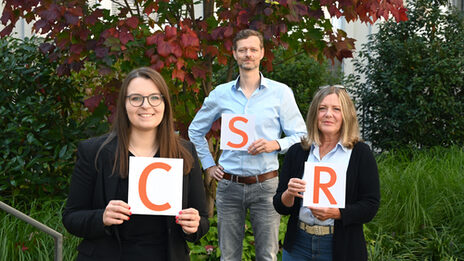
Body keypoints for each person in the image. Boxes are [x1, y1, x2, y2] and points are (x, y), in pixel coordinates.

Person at [62, 67, 209, 261]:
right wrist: (101, 218)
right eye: (136, 98)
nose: (146, 105)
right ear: (124, 104)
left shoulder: (184, 153)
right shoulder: (94, 152)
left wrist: (194, 225)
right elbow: (71, 217)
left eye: (155, 98)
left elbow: (203, 219)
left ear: (165, 103)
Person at [188, 29, 307, 261]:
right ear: (234, 54)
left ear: (262, 53)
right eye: (242, 50)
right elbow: (195, 130)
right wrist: (208, 165)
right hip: (229, 184)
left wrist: (275, 144)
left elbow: (302, 136)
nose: (248, 55)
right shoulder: (221, 94)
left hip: (266, 184)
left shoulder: (281, 93)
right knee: (229, 256)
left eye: (253, 49)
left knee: (267, 255)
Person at [273, 85, 380, 261]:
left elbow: (370, 206)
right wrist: (288, 194)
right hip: (298, 245)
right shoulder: (297, 151)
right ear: (315, 114)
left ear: (346, 115)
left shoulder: (360, 153)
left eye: (336, 109)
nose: (328, 114)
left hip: (340, 247)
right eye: (322, 108)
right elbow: (280, 206)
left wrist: (336, 213)